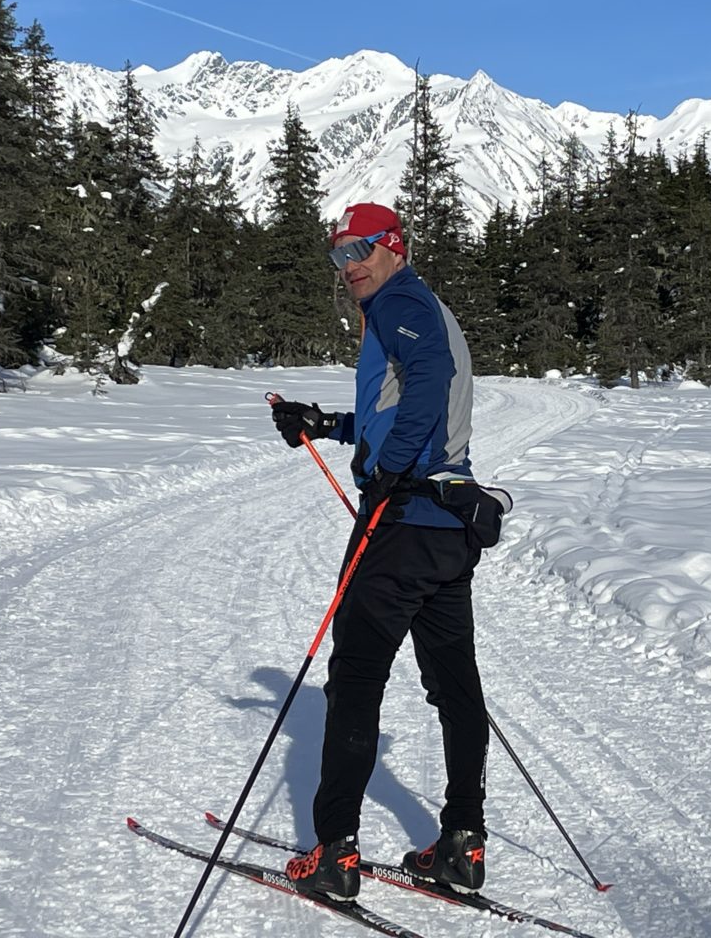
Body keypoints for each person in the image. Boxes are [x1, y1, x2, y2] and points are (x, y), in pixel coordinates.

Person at [271, 202, 490, 903]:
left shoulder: (401, 301)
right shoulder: (419, 306)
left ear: (394, 246)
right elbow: (403, 404)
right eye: (338, 255)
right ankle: (462, 842)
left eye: (361, 249)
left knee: (356, 681)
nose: (350, 266)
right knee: (454, 688)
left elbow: (425, 386)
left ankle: (334, 852)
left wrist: (391, 468)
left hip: (400, 524)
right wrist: (328, 424)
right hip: (446, 530)